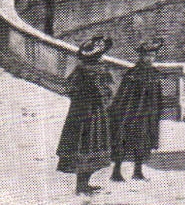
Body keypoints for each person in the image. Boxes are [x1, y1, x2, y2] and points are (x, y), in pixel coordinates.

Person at [56, 35, 114, 196]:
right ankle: (81, 185)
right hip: (84, 112)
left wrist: (103, 96)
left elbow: (108, 89)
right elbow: (69, 88)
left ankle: (84, 184)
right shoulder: (82, 70)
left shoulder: (101, 68)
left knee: (92, 144)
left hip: (95, 112)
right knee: (84, 144)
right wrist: (87, 94)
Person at [109, 38, 166, 182]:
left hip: (147, 114)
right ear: (141, 56)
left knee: (143, 142)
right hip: (130, 113)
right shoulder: (133, 73)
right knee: (123, 140)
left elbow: (158, 96)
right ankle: (116, 172)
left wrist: (158, 111)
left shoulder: (155, 74)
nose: (150, 58)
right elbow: (123, 94)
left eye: (153, 56)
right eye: (147, 55)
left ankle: (138, 171)